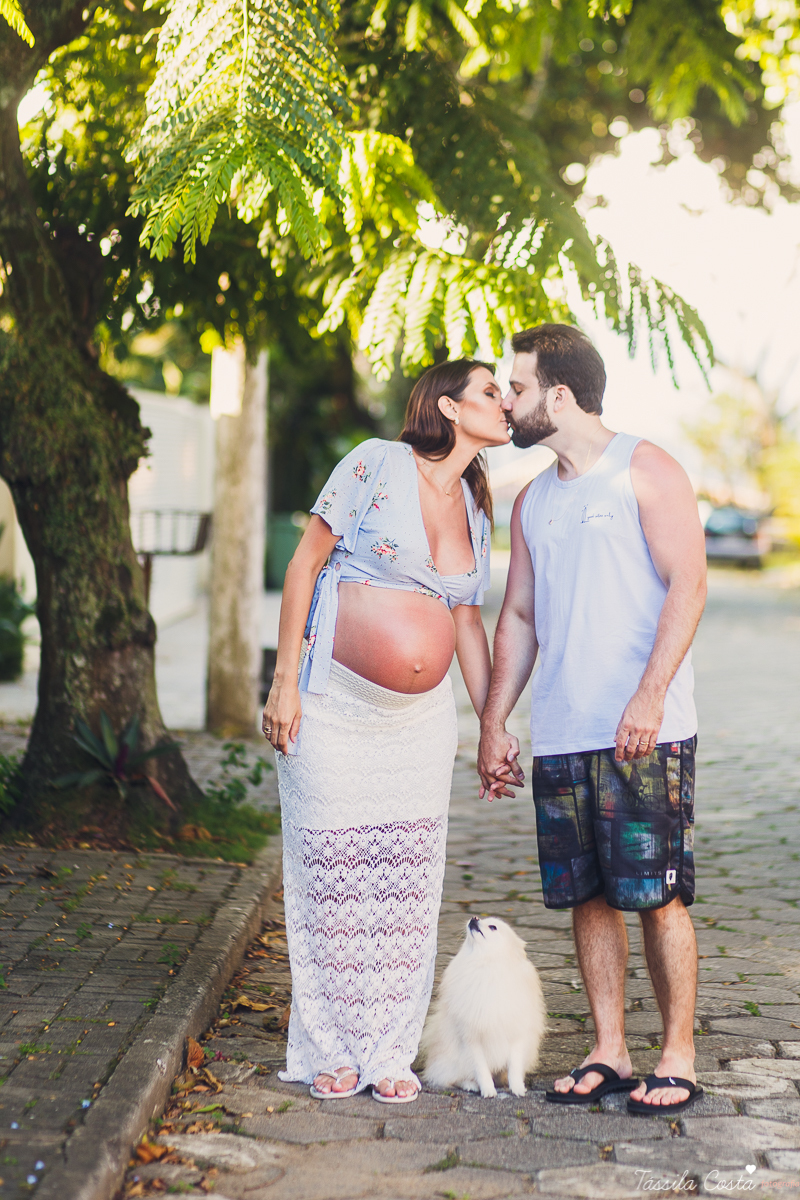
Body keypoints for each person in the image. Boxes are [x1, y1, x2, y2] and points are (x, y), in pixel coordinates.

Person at [262, 359, 510, 1103]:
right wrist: (282, 684)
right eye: (491, 392)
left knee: (404, 887)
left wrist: (493, 724)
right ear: (447, 405)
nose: (506, 405)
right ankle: (332, 1048)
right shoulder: (375, 463)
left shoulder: (474, 502)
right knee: (333, 878)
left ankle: (389, 1052)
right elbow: (305, 565)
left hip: (419, 725)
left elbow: (466, 622)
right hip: (332, 704)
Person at [478, 324, 708, 1115]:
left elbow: (689, 587)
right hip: (565, 732)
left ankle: (676, 1053)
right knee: (587, 896)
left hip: (647, 730)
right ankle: (610, 1048)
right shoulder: (535, 500)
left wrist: (648, 696)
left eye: (516, 387)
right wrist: (493, 723)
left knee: (658, 895)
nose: (506, 401)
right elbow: (518, 618)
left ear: (560, 395)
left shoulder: (645, 469)